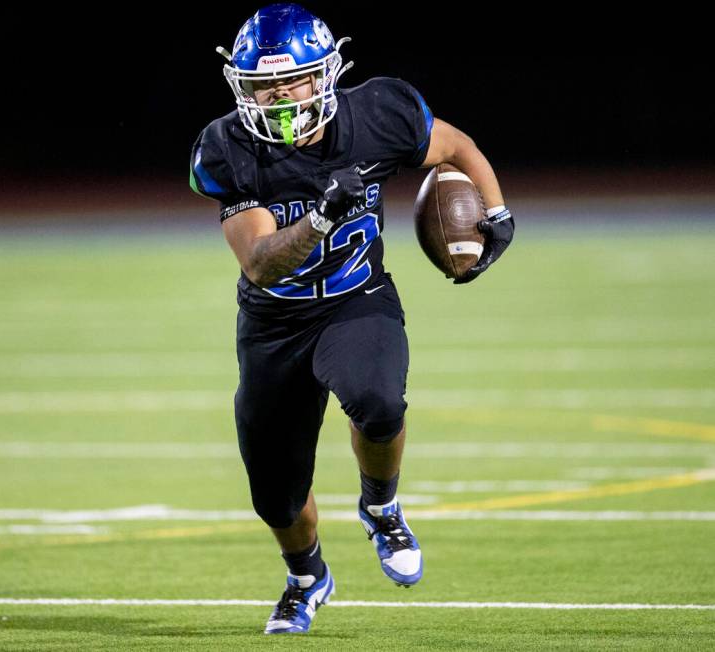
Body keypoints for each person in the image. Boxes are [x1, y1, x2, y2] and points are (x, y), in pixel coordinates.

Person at [189, 3, 514, 635]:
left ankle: (382, 507)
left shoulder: (377, 113)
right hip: (274, 323)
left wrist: (496, 213)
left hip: (355, 298)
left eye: (293, 79)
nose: (281, 94)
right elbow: (261, 264)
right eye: (264, 85)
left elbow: (456, 146)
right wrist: (318, 217)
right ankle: (306, 577)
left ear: (325, 75)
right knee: (274, 493)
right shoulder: (227, 147)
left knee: (378, 400)